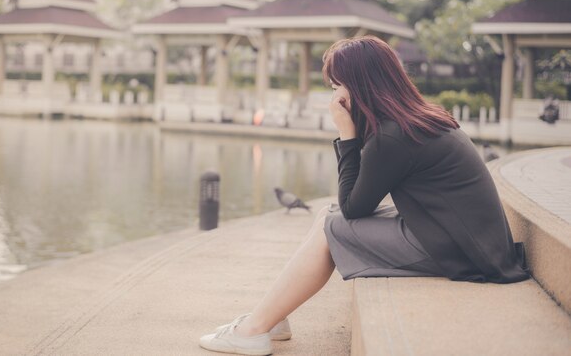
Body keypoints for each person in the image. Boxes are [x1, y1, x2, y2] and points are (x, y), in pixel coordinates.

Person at [198, 36, 531, 355]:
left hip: (459, 251)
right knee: (325, 217)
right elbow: (353, 204)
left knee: (333, 227)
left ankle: (253, 331)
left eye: (336, 86)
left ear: (357, 87)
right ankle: (272, 318)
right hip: (463, 239)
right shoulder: (413, 120)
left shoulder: (394, 136)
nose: (334, 97)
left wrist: (346, 134)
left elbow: (353, 208)